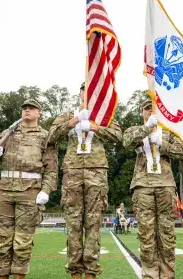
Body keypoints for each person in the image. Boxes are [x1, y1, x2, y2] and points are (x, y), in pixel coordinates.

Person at [47, 82, 122, 279]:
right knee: (73, 224)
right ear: (79, 94)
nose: (87, 93)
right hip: (72, 172)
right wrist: (73, 121)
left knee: (94, 223)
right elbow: (51, 137)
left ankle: (91, 272)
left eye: (91, 88)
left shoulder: (105, 115)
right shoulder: (67, 114)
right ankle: (75, 273)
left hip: (96, 173)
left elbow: (118, 136)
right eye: (84, 89)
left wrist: (95, 127)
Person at [0, 100, 58, 279]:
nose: (27, 110)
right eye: (24, 108)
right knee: (3, 240)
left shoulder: (45, 136)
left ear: (39, 113)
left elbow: (52, 169)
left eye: (31, 108)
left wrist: (46, 190)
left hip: (30, 192)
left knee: (22, 243)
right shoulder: (7, 133)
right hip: (4, 191)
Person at [123, 99, 183, 279]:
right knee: (146, 235)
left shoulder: (169, 132)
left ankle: (167, 275)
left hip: (165, 185)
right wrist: (147, 128)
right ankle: (150, 275)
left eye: (154, 109)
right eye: (147, 109)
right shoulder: (135, 130)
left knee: (167, 234)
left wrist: (163, 144)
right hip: (143, 186)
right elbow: (127, 142)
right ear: (141, 112)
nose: (150, 111)